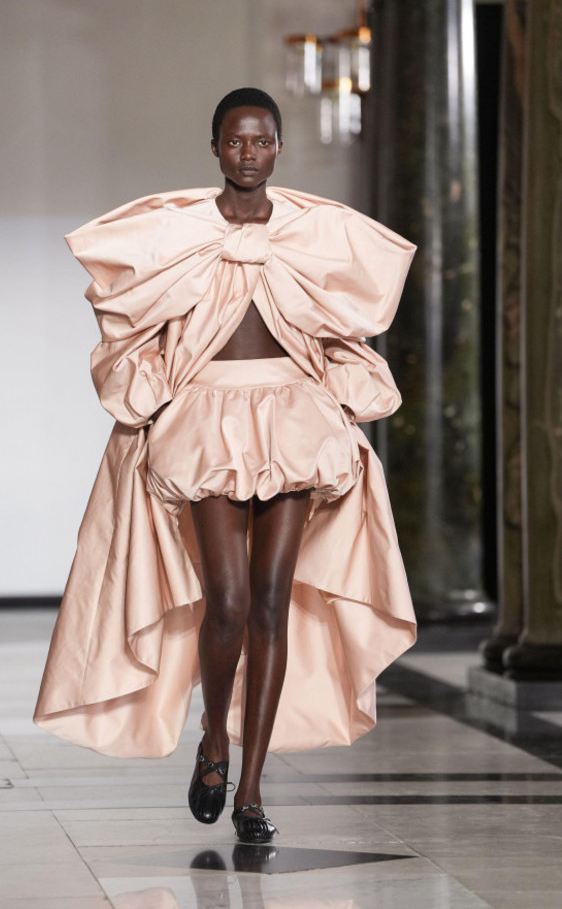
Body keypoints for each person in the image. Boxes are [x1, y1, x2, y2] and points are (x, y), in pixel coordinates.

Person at [34, 88, 417, 844]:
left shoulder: (313, 237)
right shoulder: (178, 235)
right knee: (231, 602)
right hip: (208, 418)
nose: (250, 154)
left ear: (279, 147)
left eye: (263, 141)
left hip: (293, 416)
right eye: (237, 142)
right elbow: (133, 312)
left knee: (273, 602)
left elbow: (347, 316)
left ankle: (250, 784)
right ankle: (214, 734)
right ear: (215, 148)